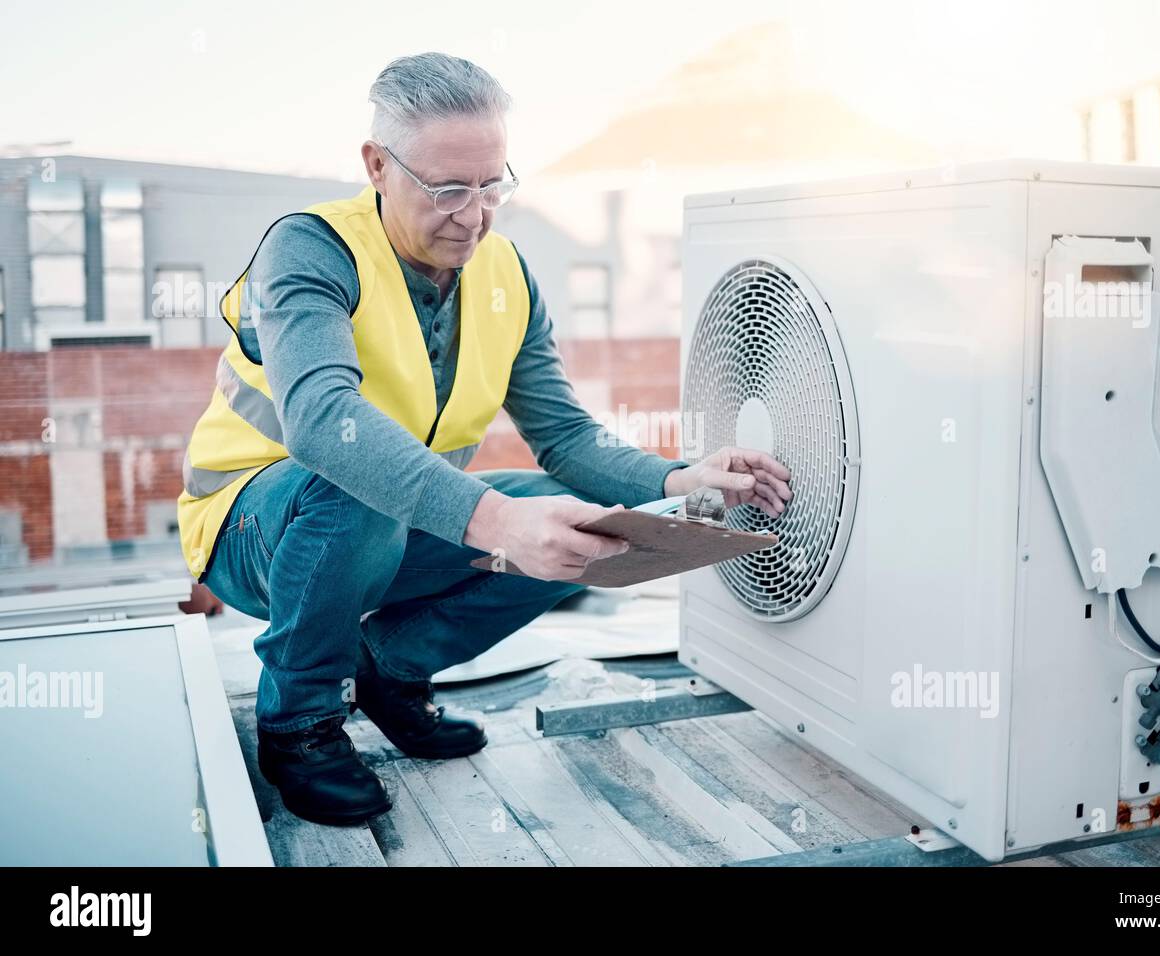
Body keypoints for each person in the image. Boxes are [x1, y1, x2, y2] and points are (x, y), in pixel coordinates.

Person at [176, 52, 792, 826]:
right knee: (359, 484)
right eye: (447, 189)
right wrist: (502, 524)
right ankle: (299, 727)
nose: (473, 215)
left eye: (491, 184)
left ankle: (391, 669)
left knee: (578, 525)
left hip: (385, 533)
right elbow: (323, 422)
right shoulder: (308, 251)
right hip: (253, 533)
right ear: (377, 165)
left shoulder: (505, 274)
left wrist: (679, 480)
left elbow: (565, 437)